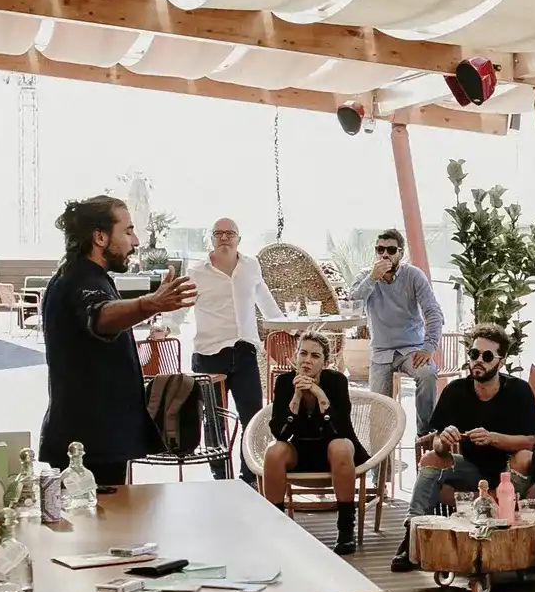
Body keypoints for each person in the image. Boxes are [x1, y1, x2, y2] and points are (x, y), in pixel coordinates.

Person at [39, 196, 198, 485]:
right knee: (101, 527)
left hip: (96, 440)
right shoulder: (80, 280)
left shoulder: (84, 277)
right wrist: (150, 303)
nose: (136, 241)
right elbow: (100, 316)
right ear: (99, 237)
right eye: (127, 231)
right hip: (89, 445)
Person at [392, 323, 535, 572]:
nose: (478, 361)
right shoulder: (456, 391)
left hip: (508, 471)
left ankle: (498, 524)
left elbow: (530, 441)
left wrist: (494, 438)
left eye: (487, 356)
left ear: (501, 361)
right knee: (431, 459)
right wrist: (445, 440)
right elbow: (439, 444)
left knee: (525, 457)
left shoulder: (518, 391)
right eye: (474, 354)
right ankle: (412, 533)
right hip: (472, 468)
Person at [186, 216, 280, 484]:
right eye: (219, 233)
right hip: (209, 353)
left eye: (230, 233)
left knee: (252, 415)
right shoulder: (197, 272)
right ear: (212, 239)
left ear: (239, 238)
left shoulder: (251, 266)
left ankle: (247, 477)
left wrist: (286, 326)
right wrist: (166, 326)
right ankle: (221, 478)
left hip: (244, 351)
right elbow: (181, 303)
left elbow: (264, 298)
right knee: (214, 421)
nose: (224, 238)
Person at [264, 330, 367, 555]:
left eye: (315, 356)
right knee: (274, 452)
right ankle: (276, 528)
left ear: (325, 362)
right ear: (295, 356)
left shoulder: (336, 381)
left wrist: (320, 396)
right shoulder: (284, 382)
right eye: (303, 354)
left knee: (339, 446)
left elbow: (340, 429)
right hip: (301, 450)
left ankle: (346, 530)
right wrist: (297, 397)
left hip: (335, 451)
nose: (307, 360)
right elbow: (280, 433)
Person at [346, 228, 444, 436]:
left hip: (411, 349)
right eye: (380, 249)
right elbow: (352, 306)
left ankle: (425, 434)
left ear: (400, 252)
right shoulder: (365, 276)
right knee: (379, 408)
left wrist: (428, 347)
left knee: (428, 374)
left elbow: (433, 312)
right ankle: (380, 455)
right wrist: (373, 278)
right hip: (381, 352)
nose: (385, 254)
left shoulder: (414, 275)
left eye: (391, 250)